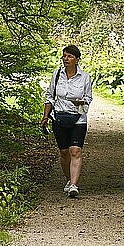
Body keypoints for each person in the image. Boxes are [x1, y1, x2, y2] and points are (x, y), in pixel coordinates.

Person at [41, 45, 92, 198]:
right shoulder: (57, 75)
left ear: (77, 59)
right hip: (59, 117)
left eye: (69, 56)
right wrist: (45, 115)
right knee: (64, 152)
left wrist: (81, 102)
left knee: (75, 150)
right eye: (64, 56)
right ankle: (69, 180)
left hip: (78, 118)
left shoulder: (85, 77)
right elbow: (50, 96)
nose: (65, 59)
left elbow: (89, 98)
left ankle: (74, 185)